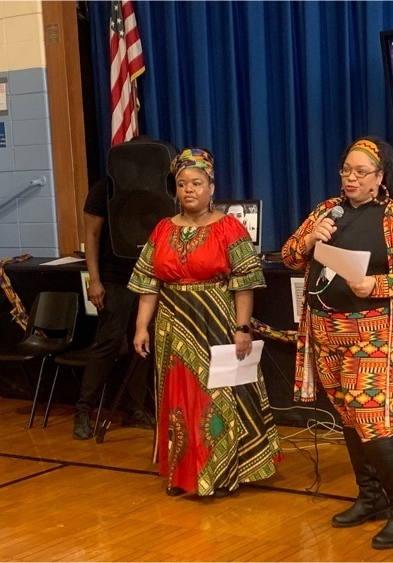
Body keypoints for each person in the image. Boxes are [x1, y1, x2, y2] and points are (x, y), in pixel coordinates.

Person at [281, 137, 393, 549]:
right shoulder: (326, 211)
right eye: (346, 170)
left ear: (379, 177)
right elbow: (290, 256)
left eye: (360, 172)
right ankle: (370, 498)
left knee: (374, 421)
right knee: (349, 417)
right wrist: (312, 238)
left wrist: (377, 285)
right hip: (325, 330)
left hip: (373, 335)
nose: (350, 178)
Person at [128, 148, 282, 498]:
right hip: (172, 327)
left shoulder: (230, 228)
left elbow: (245, 284)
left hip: (216, 323)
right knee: (180, 399)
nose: (189, 190)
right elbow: (148, 284)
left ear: (212, 187)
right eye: (182, 184)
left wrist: (242, 328)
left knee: (220, 399)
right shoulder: (162, 229)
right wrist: (141, 327)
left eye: (197, 183)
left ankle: (222, 474)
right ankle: (184, 474)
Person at [73, 178, 154, 440]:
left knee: (141, 345)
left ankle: (134, 409)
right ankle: (83, 409)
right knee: (108, 342)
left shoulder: (158, 187)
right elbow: (92, 234)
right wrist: (94, 279)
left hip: (150, 279)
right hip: (114, 278)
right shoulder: (103, 188)